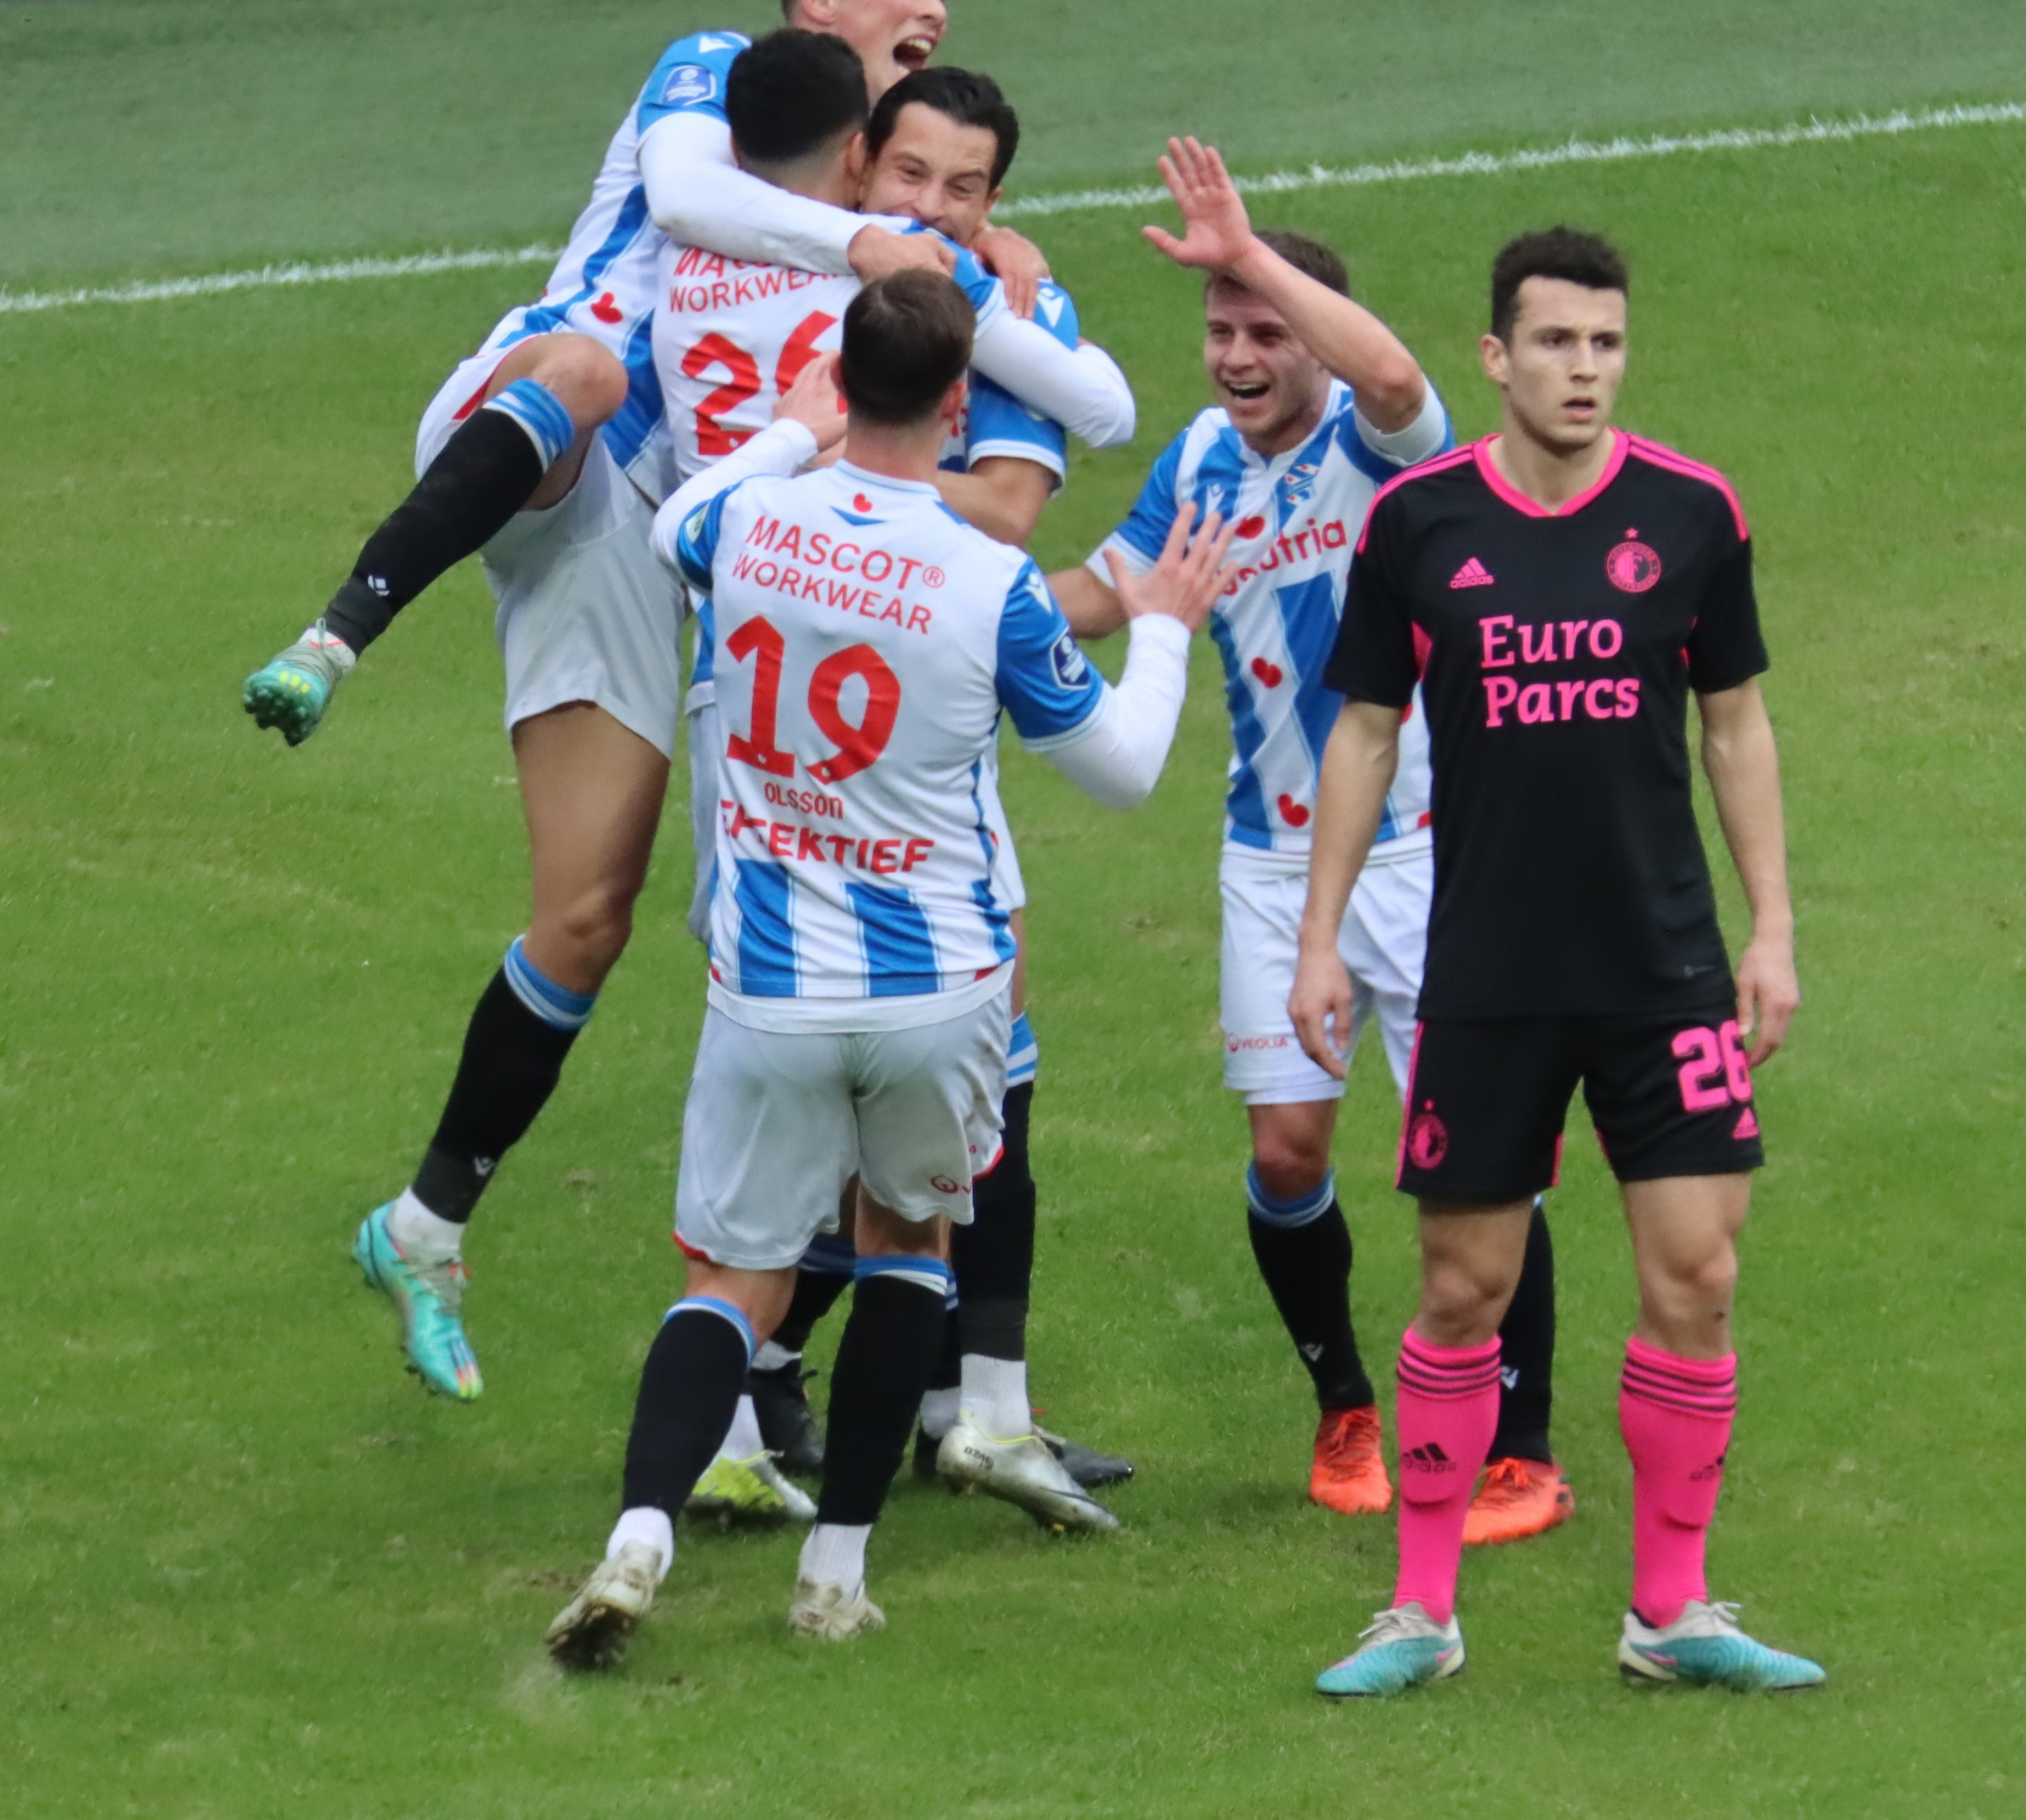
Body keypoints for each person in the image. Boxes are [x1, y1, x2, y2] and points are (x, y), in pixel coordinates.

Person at [233, 0, 1034, 1405]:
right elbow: (683, 197)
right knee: (596, 365)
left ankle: (423, 1225)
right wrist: (878, 237)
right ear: (818, 1)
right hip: (534, 417)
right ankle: (337, 634)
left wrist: (992, 280)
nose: (931, 0)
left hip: (663, 538)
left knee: (591, 913)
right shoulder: (715, 73)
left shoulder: (911, 187)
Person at [543, 271, 1230, 1664]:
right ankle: (835, 1571)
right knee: (908, 1245)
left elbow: (678, 516)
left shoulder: (742, 519)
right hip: (941, 987)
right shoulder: (990, 583)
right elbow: (1121, 768)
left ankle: (639, 1537)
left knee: (729, 1279)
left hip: (771, 984)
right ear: (964, 405)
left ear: (838, 380)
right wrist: (1162, 620)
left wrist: (787, 433)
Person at [1299, 227, 1824, 1697]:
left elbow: (1736, 725)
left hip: (1662, 967)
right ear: (1496, 356)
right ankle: (1419, 1610)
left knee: (1699, 1274)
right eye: (1554, 343)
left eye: (1604, 342)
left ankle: (1673, 1610)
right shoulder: (1417, 524)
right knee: (1464, 1285)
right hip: (1487, 968)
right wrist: (1321, 935)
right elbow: (1362, 731)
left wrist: (1770, 928)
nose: (1582, 368)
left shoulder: (1694, 513)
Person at [639, 33, 1137, 1522]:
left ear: (993, 205)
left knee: (988, 1066)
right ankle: (760, 1405)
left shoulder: (985, 311)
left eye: (965, 188)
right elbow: (969, 513)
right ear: (858, 168)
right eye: (907, 168)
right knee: (820, 1077)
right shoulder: (787, 285)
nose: (931, 199)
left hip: (928, 749)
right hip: (771, 748)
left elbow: (1009, 497)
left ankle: (970, 1401)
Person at [1047, 142, 1571, 1541]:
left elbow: (1395, 378)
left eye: (1264, 327)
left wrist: (1254, 256)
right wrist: (942, 590)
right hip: (1270, 863)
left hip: (1433, 846)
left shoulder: (1378, 445)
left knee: (1476, 1150)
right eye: (1219, 329)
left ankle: (1521, 1446)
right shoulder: (1199, 461)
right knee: (1288, 1152)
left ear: (1311, 336)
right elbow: (1110, 591)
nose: (1236, 351)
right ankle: (1346, 1403)